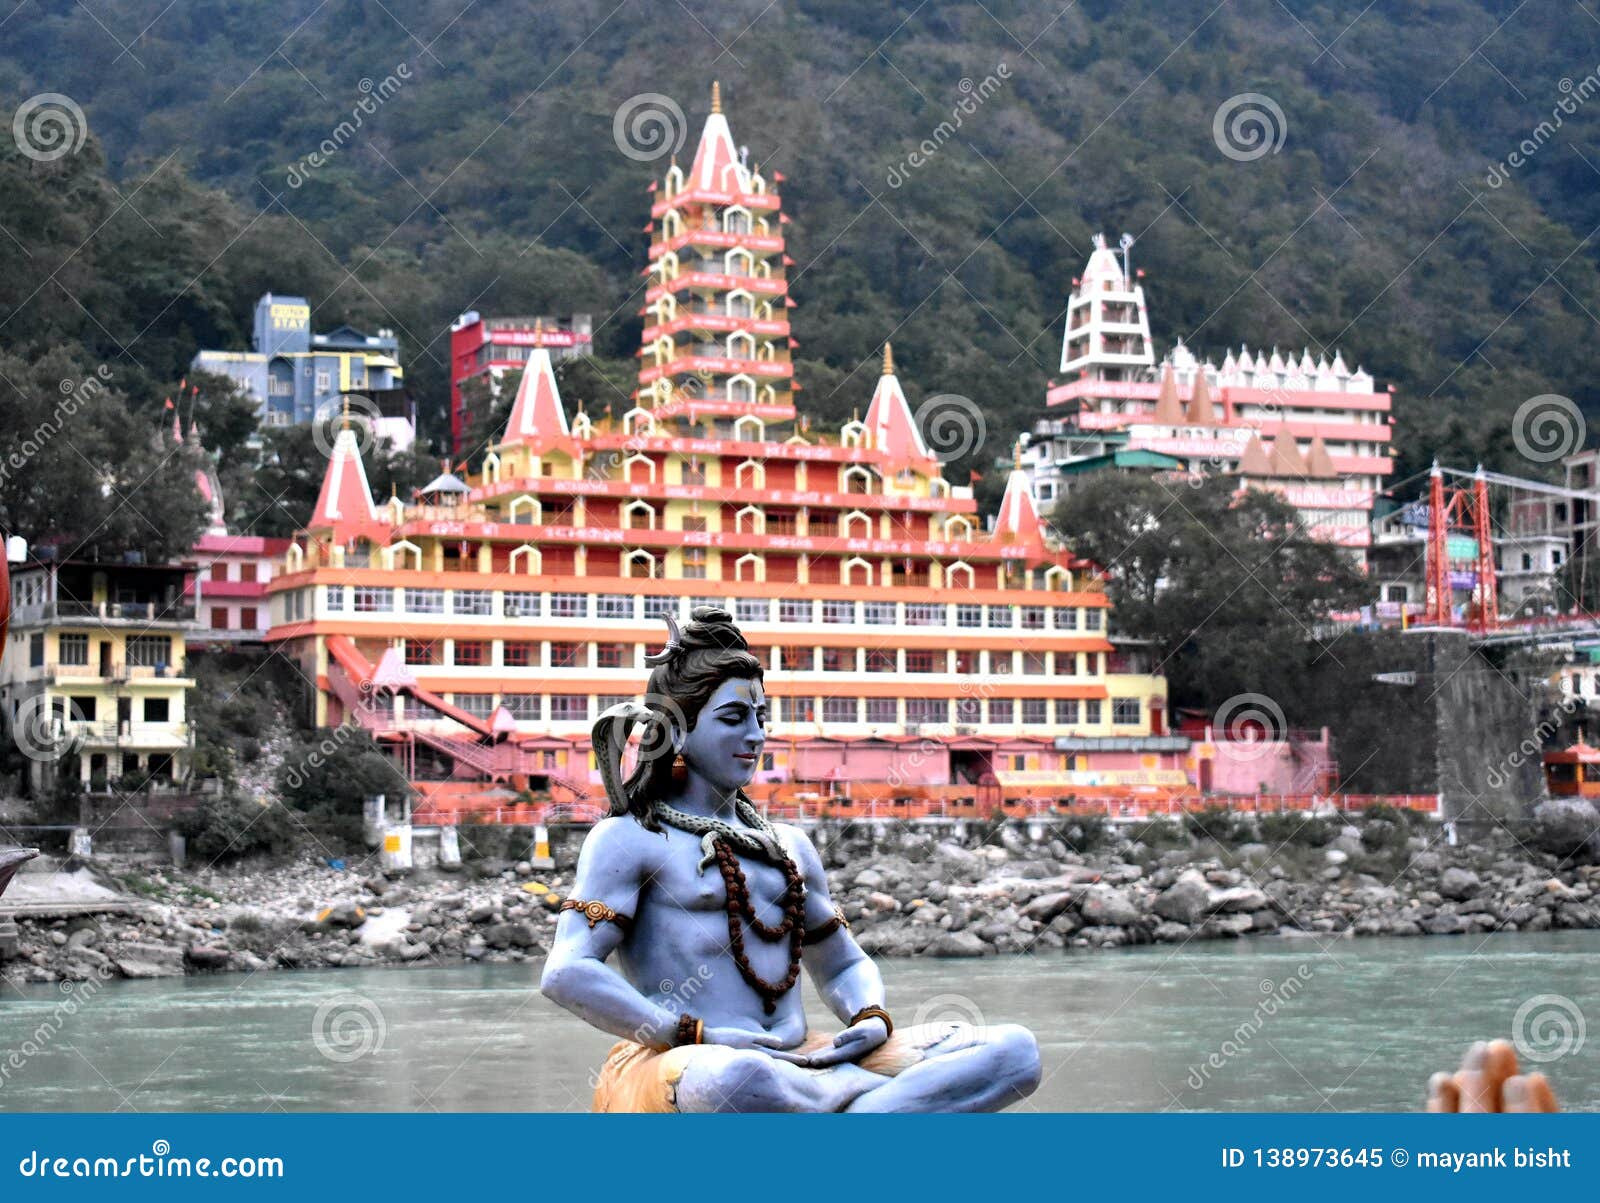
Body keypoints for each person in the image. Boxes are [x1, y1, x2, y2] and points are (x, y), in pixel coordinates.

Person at [539, 605, 1042, 1112]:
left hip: (807, 1059)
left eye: (761, 717)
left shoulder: (789, 845)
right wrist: (693, 1033)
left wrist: (868, 1018)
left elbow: (842, 962)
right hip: (692, 1059)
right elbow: (567, 971)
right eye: (733, 718)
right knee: (737, 1078)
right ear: (676, 730)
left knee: (1013, 1051)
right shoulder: (630, 837)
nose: (755, 735)